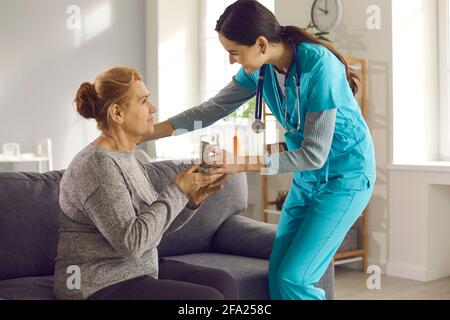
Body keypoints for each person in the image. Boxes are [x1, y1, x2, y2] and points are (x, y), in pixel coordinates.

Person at [139, 0, 376, 300]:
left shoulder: (319, 66)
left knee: (294, 278)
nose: (231, 61)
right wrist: (148, 133)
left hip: (345, 179)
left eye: (234, 53)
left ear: (261, 44)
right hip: (307, 181)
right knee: (278, 276)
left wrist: (237, 163)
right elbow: (211, 109)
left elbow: (313, 154)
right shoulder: (261, 71)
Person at [53, 67, 238, 300]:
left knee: (223, 282)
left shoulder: (127, 157)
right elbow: (132, 243)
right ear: (117, 113)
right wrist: (178, 190)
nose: (153, 108)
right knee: (207, 299)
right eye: (143, 101)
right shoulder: (96, 165)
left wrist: (190, 200)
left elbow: (153, 229)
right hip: (94, 284)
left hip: (134, 271)